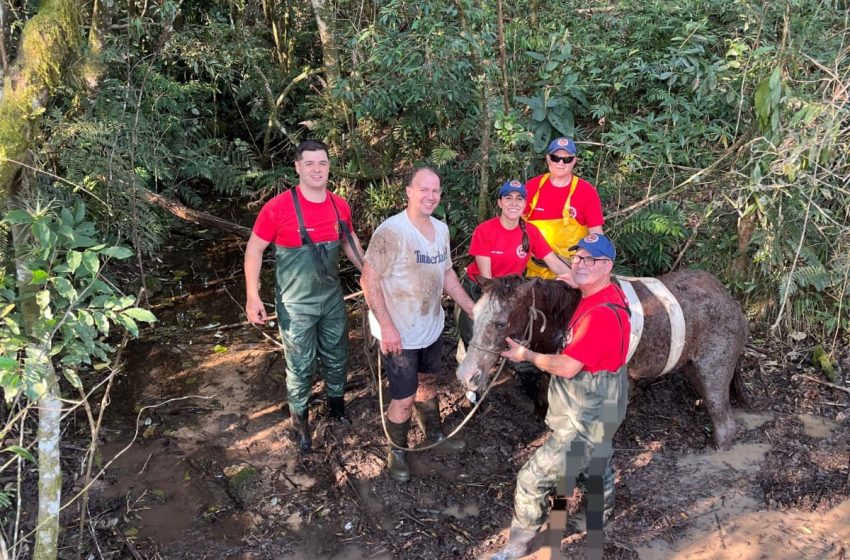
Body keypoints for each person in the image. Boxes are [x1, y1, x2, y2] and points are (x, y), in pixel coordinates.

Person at [489, 233, 631, 560]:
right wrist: (576, 279)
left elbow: (567, 367)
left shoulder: (601, 315)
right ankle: (595, 519)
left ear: (607, 265)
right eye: (578, 257)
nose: (580, 264)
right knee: (596, 465)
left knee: (532, 478)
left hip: (586, 413)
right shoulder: (605, 293)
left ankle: (518, 545)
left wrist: (526, 355)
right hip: (605, 402)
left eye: (589, 260)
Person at [244, 139, 365, 454]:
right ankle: (301, 424)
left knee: (338, 355)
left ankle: (336, 408)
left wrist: (369, 271)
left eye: (322, 163)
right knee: (300, 365)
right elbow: (254, 250)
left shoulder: (340, 205)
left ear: (328, 167)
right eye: (309, 163)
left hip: (332, 298)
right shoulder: (277, 208)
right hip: (295, 305)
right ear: (297, 167)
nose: (316, 169)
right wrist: (252, 297)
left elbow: (349, 240)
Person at [362, 167, 476, 482]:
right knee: (404, 396)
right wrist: (386, 326)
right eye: (423, 189)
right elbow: (368, 280)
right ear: (409, 191)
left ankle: (434, 434)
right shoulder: (392, 231)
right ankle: (397, 452)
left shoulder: (441, 229)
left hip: (430, 325)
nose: (429, 196)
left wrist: (470, 307)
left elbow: (446, 273)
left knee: (428, 384)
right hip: (399, 332)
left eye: (435, 191)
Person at [458, 179, 572, 352]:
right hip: (480, 289)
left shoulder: (530, 231)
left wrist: (578, 281)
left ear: (525, 204)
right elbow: (487, 279)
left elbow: (554, 262)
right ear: (500, 202)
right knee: (475, 340)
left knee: (516, 338)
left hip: (508, 292)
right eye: (508, 198)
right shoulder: (485, 230)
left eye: (519, 198)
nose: (514, 203)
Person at [524, 137, 605, 280]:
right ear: (548, 159)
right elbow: (515, 227)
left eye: (566, 159)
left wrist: (599, 269)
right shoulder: (532, 187)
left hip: (571, 274)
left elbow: (596, 236)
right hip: (533, 275)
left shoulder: (586, 191)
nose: (560, 163)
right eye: (555, 158)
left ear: (574, 161)